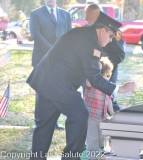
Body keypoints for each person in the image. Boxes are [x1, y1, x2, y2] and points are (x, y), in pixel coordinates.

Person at [26, 11, 137, 160]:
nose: (111, 40)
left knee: (44, 125)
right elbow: (95, 77)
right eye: (111, 36)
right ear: (102, 30)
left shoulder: (83, 34)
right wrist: (119, 88)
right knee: (79, 114)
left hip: (45, 81)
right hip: (58, 85)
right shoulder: (91, 43)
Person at [30, 0, 72, 130]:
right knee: (42, 90)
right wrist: (53, 51)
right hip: (42, 58)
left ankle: (54, 121)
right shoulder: (35, 14)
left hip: (60, 60)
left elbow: (70, 36)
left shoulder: (66, 15)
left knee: (55, 90)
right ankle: (40, 121)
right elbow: (36, 35)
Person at [85, 3, 125, 112]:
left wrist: (102, 65)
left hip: (106, 72)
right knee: (90, 104)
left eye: (88, 16)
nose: (86, 19)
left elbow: (119, 55)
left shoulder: (111, 30)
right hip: (90, 72)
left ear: (98, 15)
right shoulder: (85, 29)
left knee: (108, 103)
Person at [85, 57, 115, 160]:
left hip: (103, 117)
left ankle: (99, 155)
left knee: (102, 139)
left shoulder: (107, 87)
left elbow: (109, 101)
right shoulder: (92, 84)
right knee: (92, 140)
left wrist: (113, 114)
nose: (109, 78)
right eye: (107, 75)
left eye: (110, 75)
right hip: (91, 117)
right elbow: (89, 81)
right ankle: (92, 158)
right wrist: (96, 70)